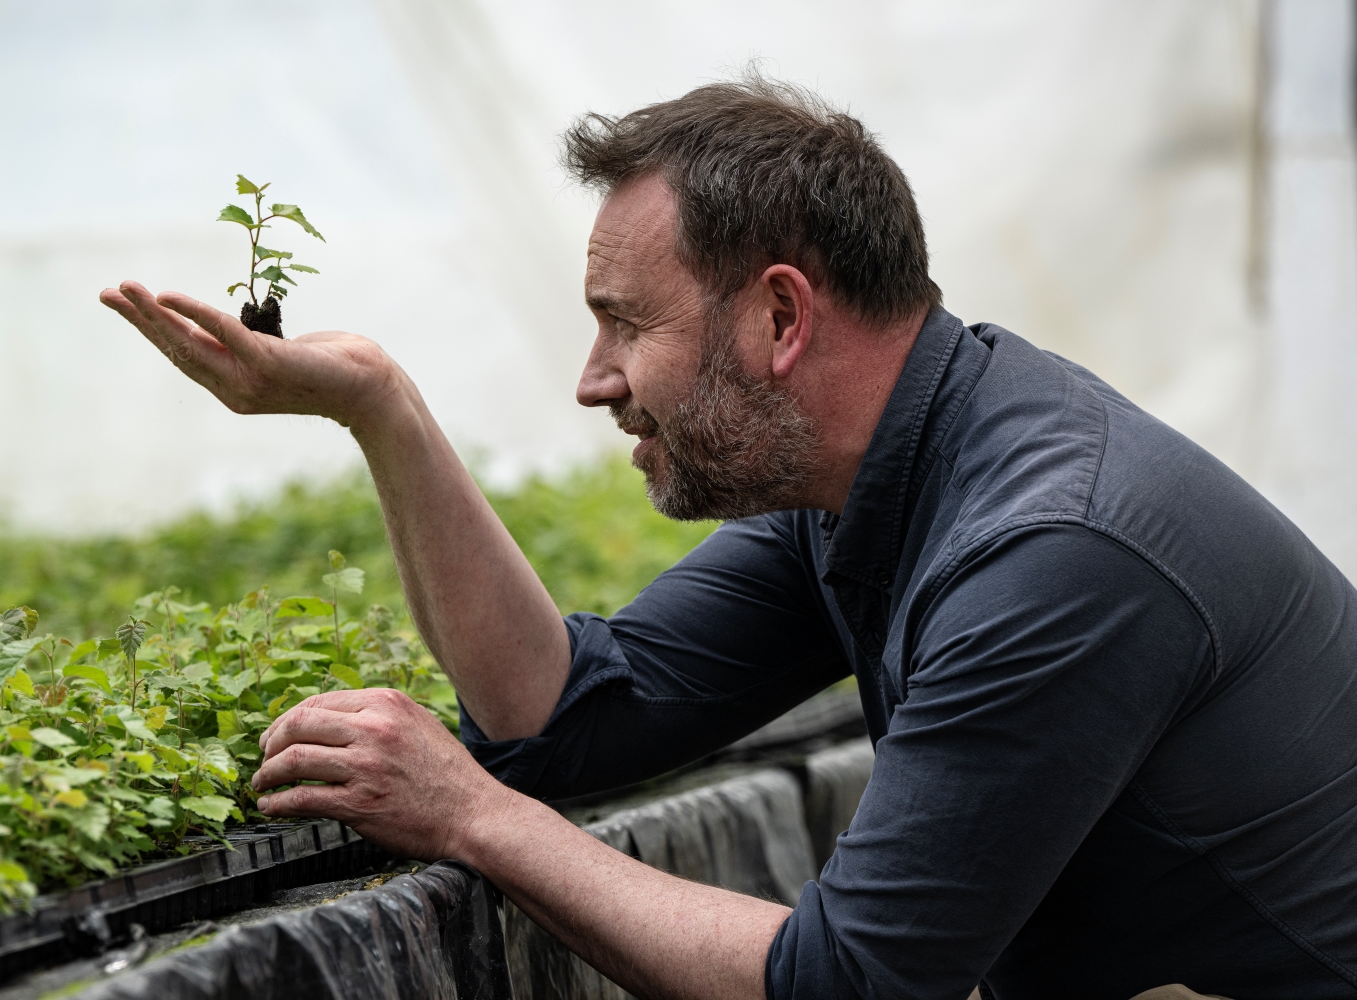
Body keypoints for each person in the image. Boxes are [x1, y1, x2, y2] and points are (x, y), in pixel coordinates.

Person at [100, 76, 1357, 1000]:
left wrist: (469, 816)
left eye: (623, 324)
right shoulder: (871, 481)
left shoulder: (1052, 555)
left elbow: (848, 985)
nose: (595, 381)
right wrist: (380, 403)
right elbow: (567, 712)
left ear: (778, 318)